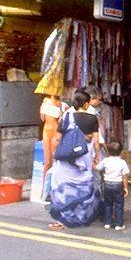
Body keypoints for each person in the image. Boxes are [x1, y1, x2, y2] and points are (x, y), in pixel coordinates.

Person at [47, 89, 102, 230]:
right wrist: (97, 156)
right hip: (84, 158)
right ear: (86, 104)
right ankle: (82, 216)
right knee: (83, 186)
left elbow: (57, 138)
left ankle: (64, 219)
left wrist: (55, 154)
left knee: (63, 187)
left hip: (66, 159)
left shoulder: (66, 117)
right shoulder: (92, 118)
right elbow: (96, 141)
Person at [94, 141, 129, 231]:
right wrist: (125, 188)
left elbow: (97, 168)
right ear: (121, 151)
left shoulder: (105, 160)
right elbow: (124, 176)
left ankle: (107, 223)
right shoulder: (122, 162)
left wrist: (91, 163)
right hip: (118, 185)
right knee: (118, 205)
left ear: (108, 152)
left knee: (107, 204)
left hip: (107, 184)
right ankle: (118, 224)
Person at [39, 94, 65, 186]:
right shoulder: (57, 103)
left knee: (49, 160)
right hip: (51, 130)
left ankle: (47, 185)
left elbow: (42, 118)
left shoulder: (60, 104)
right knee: (50, 160)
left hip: (51, 130)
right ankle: (46, 185)